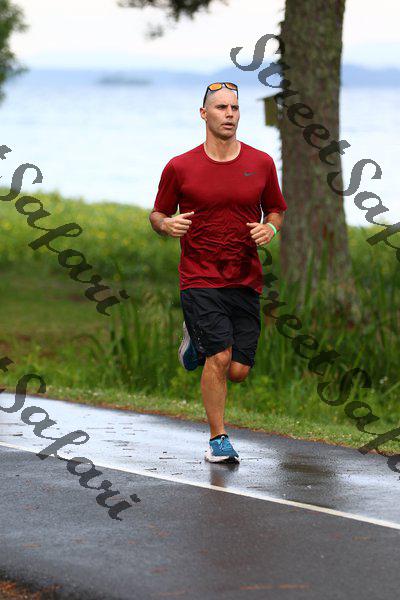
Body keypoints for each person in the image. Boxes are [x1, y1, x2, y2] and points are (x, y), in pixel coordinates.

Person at [149, 82, 288, 464]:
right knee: (221, 358)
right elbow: (157, 213)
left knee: (239, 370)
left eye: (235, 108)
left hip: (245, 277)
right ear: (203, 114)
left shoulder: (261, 163)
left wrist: (270, 229)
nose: (229, 114)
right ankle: (218, 439)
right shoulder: (180, 166)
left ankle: (195, 340)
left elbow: (276, 209)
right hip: (199, 276)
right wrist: (166, 225)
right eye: (221, 107)